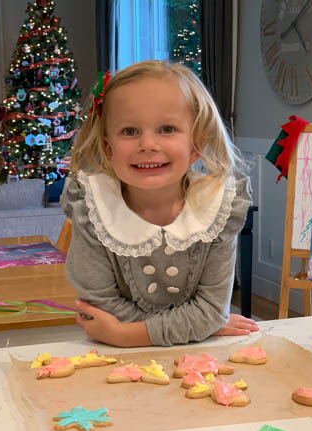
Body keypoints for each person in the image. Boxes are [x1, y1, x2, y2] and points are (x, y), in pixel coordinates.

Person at [60, 60, 257, 347]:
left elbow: (212, 312)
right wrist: (194, 326)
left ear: (196, 146)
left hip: (192, 351)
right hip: (116, 357)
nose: (148, 144)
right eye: (130, 131)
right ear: (108, 147)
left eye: (167, 129)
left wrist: (125, 335)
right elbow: (100, 307)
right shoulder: (92, 210)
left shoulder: (217, 207)